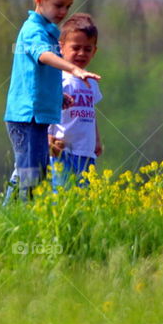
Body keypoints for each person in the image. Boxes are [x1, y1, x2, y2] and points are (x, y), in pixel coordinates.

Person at [3, 0, 100, 203]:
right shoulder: (33, 30)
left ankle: (19, 212)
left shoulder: (49, 33)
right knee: (30, 174)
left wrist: (58, 97)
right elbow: (43, 57)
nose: (63, 11)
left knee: (38, 173)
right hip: (27, 117)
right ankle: (13, 213)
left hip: (39, 115)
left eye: (68, 6)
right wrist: (73, 68)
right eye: (59, 5)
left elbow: (41, 78)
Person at [48, 13, 102, 191]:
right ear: (61, 47)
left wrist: (97, 140)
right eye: (76, 47)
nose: (81, 53)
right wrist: (47, 137)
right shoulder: (58, 78)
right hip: (62, 150)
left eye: (87, 49)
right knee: (62, 195)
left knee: (82, 196)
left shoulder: (91, 81)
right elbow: (46, 109)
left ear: (94, 51)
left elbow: (92, 113)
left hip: (85, 152)